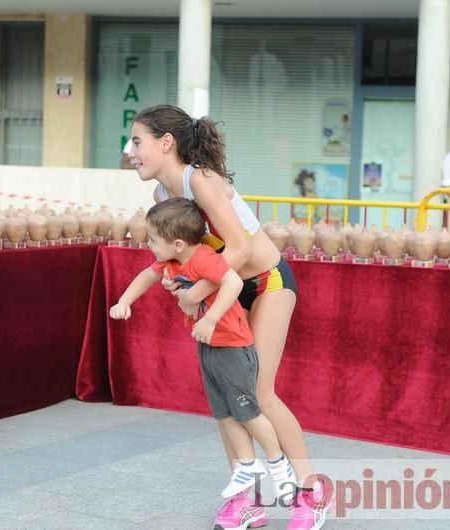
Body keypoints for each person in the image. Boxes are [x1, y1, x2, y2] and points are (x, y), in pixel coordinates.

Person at [128, 104, 331, 530]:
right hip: (224, 290)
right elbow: (191, 258)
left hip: (266, 282)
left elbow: (237, 248)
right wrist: (178, 281)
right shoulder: (161, 197)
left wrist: (195, 293)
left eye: (137, 141)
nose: (131, 151)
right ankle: (247, 501)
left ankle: (313, 492)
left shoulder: (197, 179)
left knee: (258, 391)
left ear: (165, 143)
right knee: (226, 394)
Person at [110, 198, 298, 527]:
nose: (148, 244)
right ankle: (246, 468)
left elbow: (234, 282)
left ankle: (278, 464)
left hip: (233, 346)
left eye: (153, 239)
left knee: (249, 411)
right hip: (210, 346)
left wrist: (210, 319)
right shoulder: (172, 262)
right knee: (224, 412)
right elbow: (146, 275)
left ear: (177, 243)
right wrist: (125, 301)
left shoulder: (203, 259)